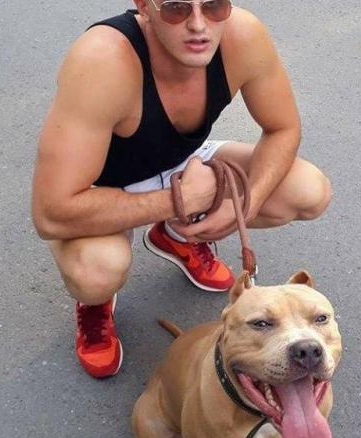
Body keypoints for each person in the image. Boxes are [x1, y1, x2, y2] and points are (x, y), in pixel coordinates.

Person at [31, 0, 332, 378]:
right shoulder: (102, 60)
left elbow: (283, 129)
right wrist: (181, 200)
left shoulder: (243, 35)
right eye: (176, 8)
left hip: (185, 164)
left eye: (214, 6)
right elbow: (51, 213)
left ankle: (177, 237)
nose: (199, 25)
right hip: (103, 187)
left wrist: (248, 203)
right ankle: (95, 305)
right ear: (144, 5)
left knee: (308, 190)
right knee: (96, 272)